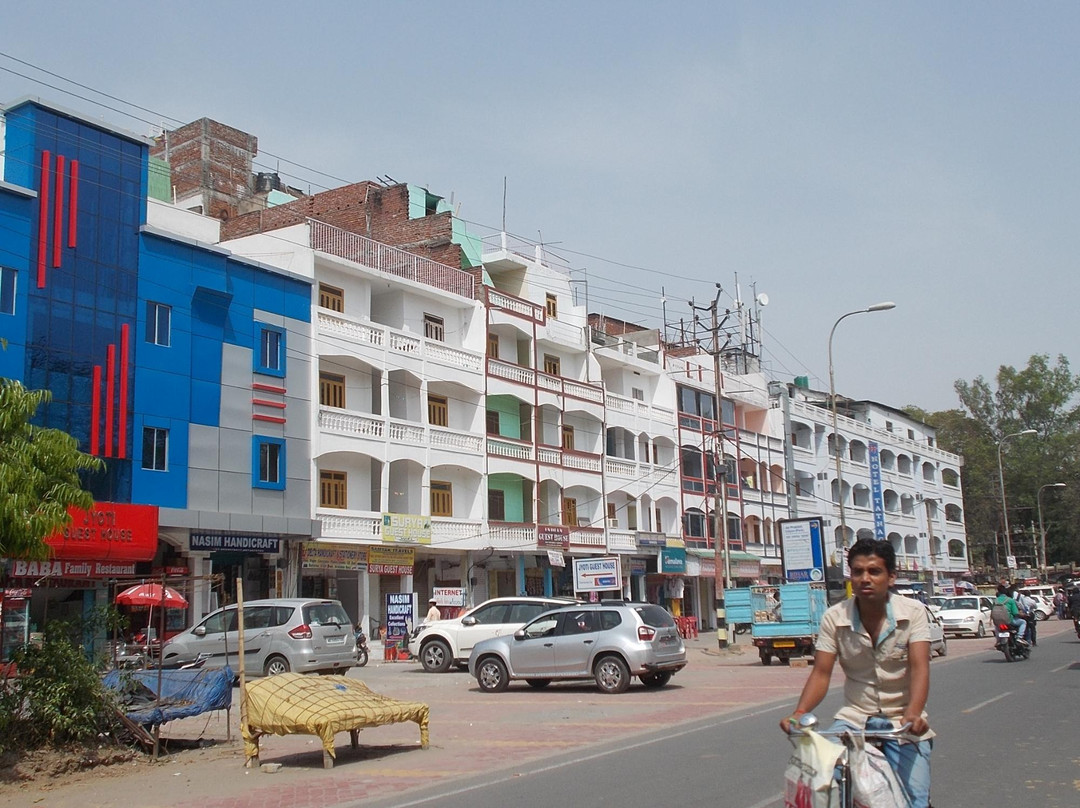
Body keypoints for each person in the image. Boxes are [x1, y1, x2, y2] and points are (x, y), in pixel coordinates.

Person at [779, 538, 933, 808]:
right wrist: (800, 712)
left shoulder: (914, 612)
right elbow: (821, 673)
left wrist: (914, 713)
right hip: (854, 720)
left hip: (902, 723)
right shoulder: (834, 617)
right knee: (819, 780)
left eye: (874, 571)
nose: (865, 578)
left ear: (891, 577)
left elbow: (920, 667)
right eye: (858, 571)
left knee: (914, 801)